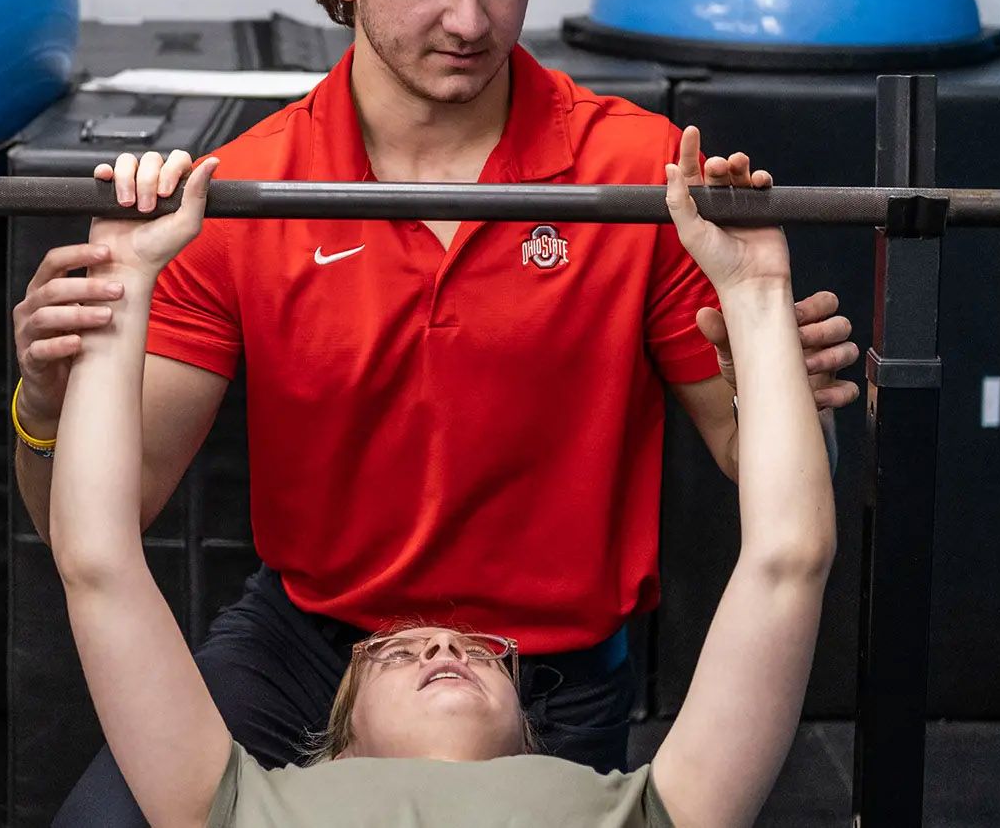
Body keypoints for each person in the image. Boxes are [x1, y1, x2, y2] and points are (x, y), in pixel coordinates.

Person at [12, 0, 860, 823]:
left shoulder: (640, 179)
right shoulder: (242, 193)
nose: (469, 18)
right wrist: (46, 409)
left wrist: (787, 392)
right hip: (308, 641)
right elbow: (102, 520)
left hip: (544, 664)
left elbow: (770, 488)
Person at [52, 139, 834, 827]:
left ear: (536, 734)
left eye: (485, 651)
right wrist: (118, 284)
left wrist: (756, 291)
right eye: (394, 653)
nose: (441, 639)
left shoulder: (645, 809)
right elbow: (97, 560)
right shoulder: (238, 804)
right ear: (338, 738)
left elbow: (787, 560)